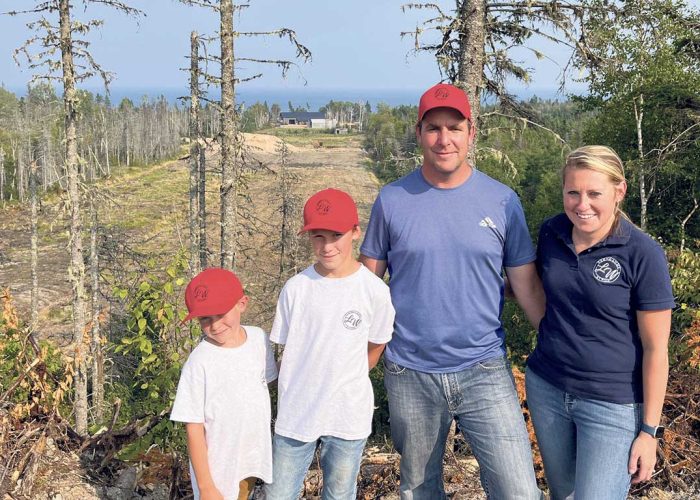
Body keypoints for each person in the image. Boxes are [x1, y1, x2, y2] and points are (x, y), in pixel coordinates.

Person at [360, 83, 545, 499]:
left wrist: (556, 342)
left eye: (454, 128)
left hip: (484, 368)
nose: (444, 139)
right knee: (420, 490)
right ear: (419, 132)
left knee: (518, 490)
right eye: (433, 128)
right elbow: (366, 288)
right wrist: (351, 359)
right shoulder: (392, 200)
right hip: (410, 370)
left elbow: (526, 284)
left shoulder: (502, 201)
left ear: (470, 131)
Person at [526, 145, 674, 499]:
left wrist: (648, 431)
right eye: (573, 192)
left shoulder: (642, 253)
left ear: (619, 190)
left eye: (594, 193)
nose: (582, 204)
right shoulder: (552, 233)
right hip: (547, 388)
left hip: (612, 404)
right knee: (563, 492)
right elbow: (533, 290)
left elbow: (656, 350)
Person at [265, 188, 396, 500]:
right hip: (296, 413)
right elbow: (285, 351)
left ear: (355, 232)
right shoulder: (296, 289)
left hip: (347, 413)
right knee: (279, 493)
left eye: (336, 235)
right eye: (317, 237)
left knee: (339, 493)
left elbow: (376, 347)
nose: (326, 246)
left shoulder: (374, 291)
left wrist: (343, 377)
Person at [170, 268, 278, 500]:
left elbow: (266, 387)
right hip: (219, 471)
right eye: (205, 318)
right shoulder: (199, 362)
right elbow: (194, 427)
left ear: (242, 303)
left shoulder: (259, 340)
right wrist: (206, 486)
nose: (215, 325)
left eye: (220, 313)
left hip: (251, 460)